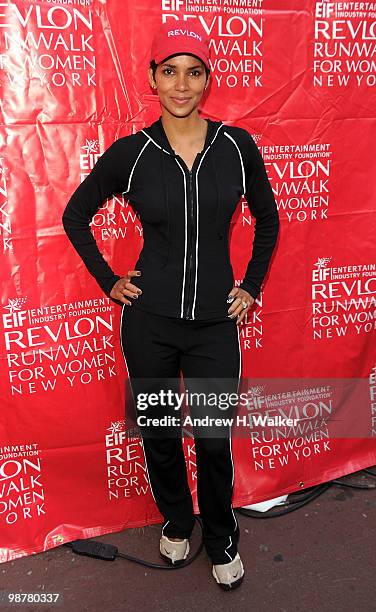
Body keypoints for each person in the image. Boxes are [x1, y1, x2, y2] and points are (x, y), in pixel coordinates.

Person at [62, 19, 280, 591]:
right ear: (153, 79)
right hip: (149, 323)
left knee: (212, 438)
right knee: (159, 433)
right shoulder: (132, 153)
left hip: (214, 325)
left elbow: (269, 220)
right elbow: (74, 215)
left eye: (194, 72)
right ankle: (177, 522)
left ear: (207, 81)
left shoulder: (237, 147)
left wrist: (251, 285)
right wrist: (110, 280)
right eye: (170, 71)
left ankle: (221, 533)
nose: (182, 84)